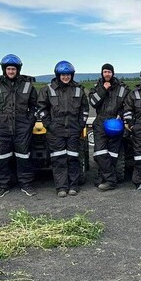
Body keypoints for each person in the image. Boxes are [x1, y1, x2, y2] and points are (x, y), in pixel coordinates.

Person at [36, 61, 89, 197]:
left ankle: (73, 186)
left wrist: (80, 125)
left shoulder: (78, 90)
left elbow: (84, 109)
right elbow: (41, 109)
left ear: (72, 75)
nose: (66, 77)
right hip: (55, 131)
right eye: (63, 75)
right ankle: (61, 187)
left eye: (68, 75)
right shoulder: (48, 89)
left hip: (73, 130)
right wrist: (49, 125)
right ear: (58, 75)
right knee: (59, 160)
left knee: (73, 158)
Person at [0, 54, 38, 197]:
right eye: (9, 69)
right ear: (4, 69)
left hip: (22, 125)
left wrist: (30, 121)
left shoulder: (27, 85)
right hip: (2, 126)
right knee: (2, 157)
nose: (11, 71)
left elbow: (35, 105)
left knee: (24, 156)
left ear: (18, 70)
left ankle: (26, 184)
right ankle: (3, 185)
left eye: (13, 69)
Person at [89, 63, 129, 191]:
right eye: (105, 72)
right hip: (101, 121)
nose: (107, 74)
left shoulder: (122, 88)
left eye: (109, 72)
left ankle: (104, 178)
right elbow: (93, 103)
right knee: (100, 152)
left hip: (115, 123)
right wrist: (103, 89)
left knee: (112, 154)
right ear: (102, 73)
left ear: (113, 73)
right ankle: (111, 180)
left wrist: (121, 115)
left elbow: (128, 105)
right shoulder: (96, 87)